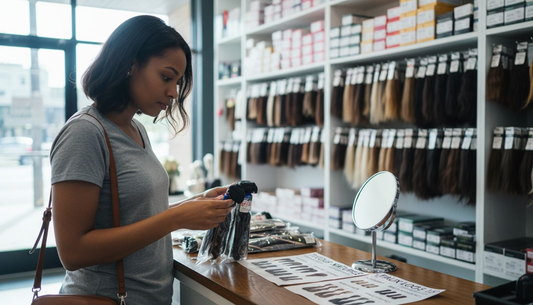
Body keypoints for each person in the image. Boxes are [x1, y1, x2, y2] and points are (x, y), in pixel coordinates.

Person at [50, 15, 233, 304]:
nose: (173, 92)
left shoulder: (136, 129)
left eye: (178, 81)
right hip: (107, 298)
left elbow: (137, 212)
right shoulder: (84, 133)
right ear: (130, 64)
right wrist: (178, 218)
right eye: (166, 77)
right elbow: (73, 252)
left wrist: (194, 203)